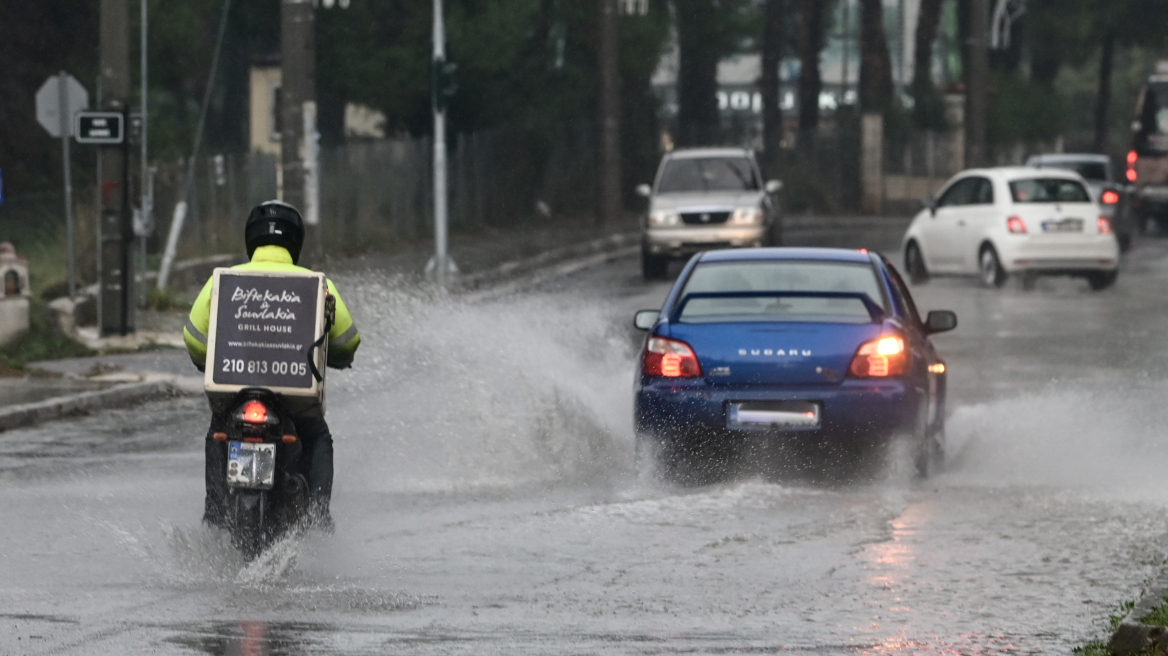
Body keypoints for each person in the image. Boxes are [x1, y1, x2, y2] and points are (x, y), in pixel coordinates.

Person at [183, 200, 361, 530]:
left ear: (251, 239)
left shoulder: (223, 280)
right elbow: (347, 341)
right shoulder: (318, 283)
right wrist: (337, 358)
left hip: (235, 392)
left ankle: (215, 510)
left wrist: (204, 359)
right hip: (295, 397)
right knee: (318, 436)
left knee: (218, 431)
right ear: (296, 241)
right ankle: (319, 517)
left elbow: (194, 337)